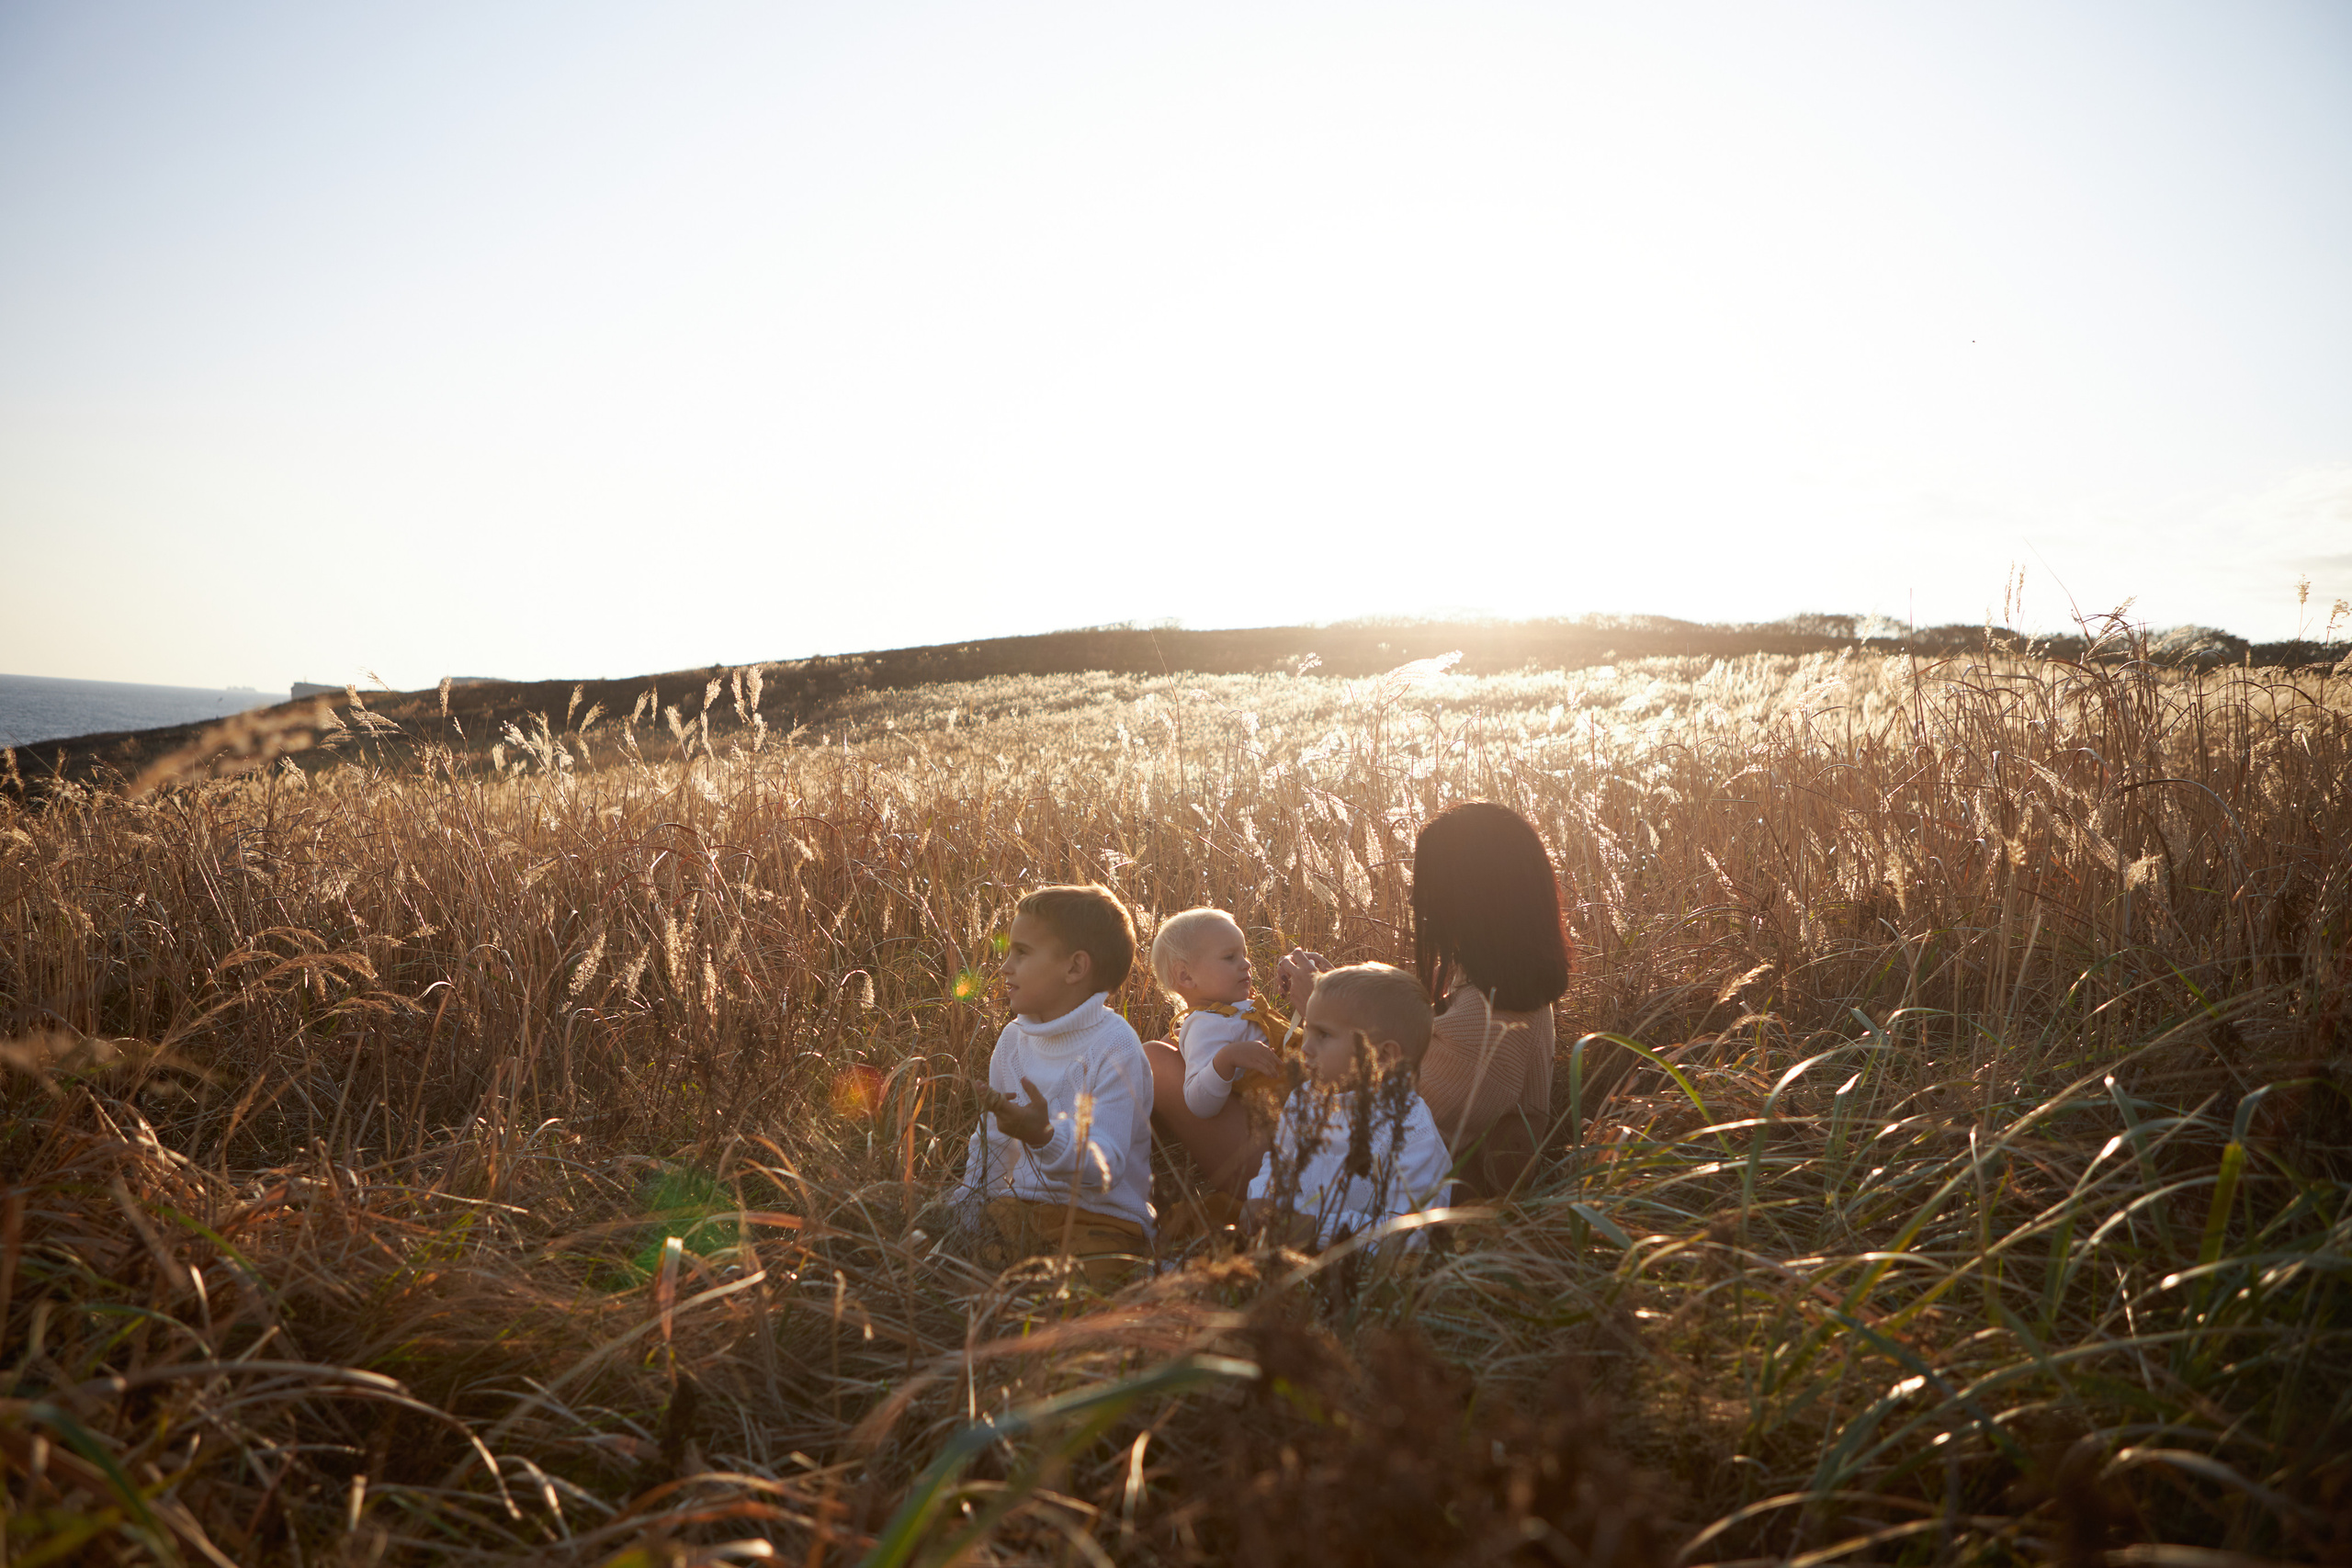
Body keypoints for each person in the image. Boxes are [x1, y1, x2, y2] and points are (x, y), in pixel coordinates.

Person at [1277, 801, 1570, 1197]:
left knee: (1169, 1067)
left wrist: (1319, 1007)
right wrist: (1338, 994)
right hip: (1379, 1171)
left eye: (1430, 883)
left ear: (1471, 897)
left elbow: (1384, 1110)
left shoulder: (1488, 1018)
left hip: (1381, 1186)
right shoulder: (1492, 980)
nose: (1415, 899)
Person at [957, 884, 1155, 1286]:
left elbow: (1107, 1169)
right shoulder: (1013, 1040)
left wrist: (1046, 1136)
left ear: (1075, 968)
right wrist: (967, 1210)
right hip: (1022, 1209)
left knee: (1077, 1296)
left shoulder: (1114, 1045)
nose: (1005, 967)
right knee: (953, 1264)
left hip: (1102, 1222)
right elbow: (992, 1140)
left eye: (1022, 952)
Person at [1245, 963, 1453, 1250]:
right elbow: (1280, 1161)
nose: (1304, 1047)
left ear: (1382, 1056)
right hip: (1294, 1255)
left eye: (1324, 1035)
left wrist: (1319, 1230)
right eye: (1307, 1030)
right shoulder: (1304, 1099)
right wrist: (1264, 1199)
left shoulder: (1410, 1132)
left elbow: (1410, 1235)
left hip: (1369, 1282)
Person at [1141, 908, 1288, 1199]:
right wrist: (1225, 1060)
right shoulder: (1206, 1028)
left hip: (1295, 1118)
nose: (1246, 964)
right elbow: (1201, 1104)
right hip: (1278, 1140)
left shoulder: (1231, 1014)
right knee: (1159, 1052)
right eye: (1229, 957)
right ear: (1186, 976)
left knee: (1164, 1048)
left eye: (1244, 954)